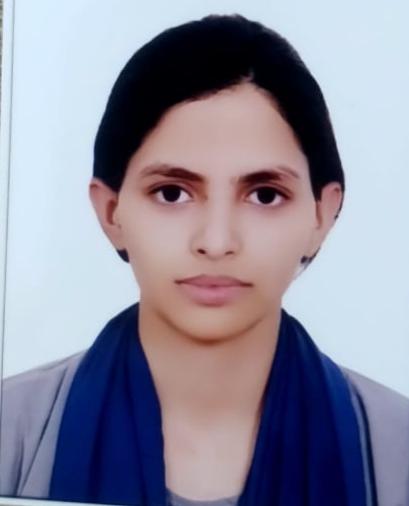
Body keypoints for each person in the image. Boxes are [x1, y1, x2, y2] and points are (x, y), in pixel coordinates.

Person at [0, 13, 408, 506]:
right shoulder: (11, 431)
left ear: (323, 213)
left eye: (264, 195)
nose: (216, 242)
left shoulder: (397, 450)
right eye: (172, 193)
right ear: (110, 211)